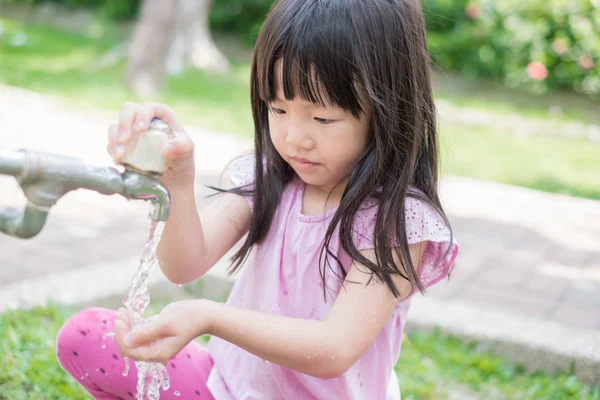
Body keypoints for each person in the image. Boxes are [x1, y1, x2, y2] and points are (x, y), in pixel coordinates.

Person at [55, 0, 459, 398]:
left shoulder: (396, 221)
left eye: (322, 118)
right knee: (87, 336)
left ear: (389, 109)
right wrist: (178, 182)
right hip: (227, 387)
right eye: (277, 109)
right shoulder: (268, 177)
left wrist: (211, 316)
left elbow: (334, 348)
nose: (293, 137)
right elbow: (183, 265)